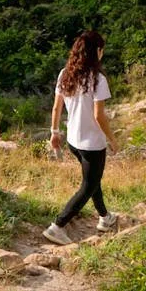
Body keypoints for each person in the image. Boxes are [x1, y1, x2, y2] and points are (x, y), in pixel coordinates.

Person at [44, 30, 117, 245]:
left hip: (73, 141)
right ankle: (58, 226)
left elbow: (57, 108)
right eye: (101, 49)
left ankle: (105, 218)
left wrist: (54, 133)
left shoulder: (65, 73)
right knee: (88, 186)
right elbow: (98, 115)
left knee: (92, 179)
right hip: (92, 143)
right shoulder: (98, 79)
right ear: (97, 52)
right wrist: (112, 139)